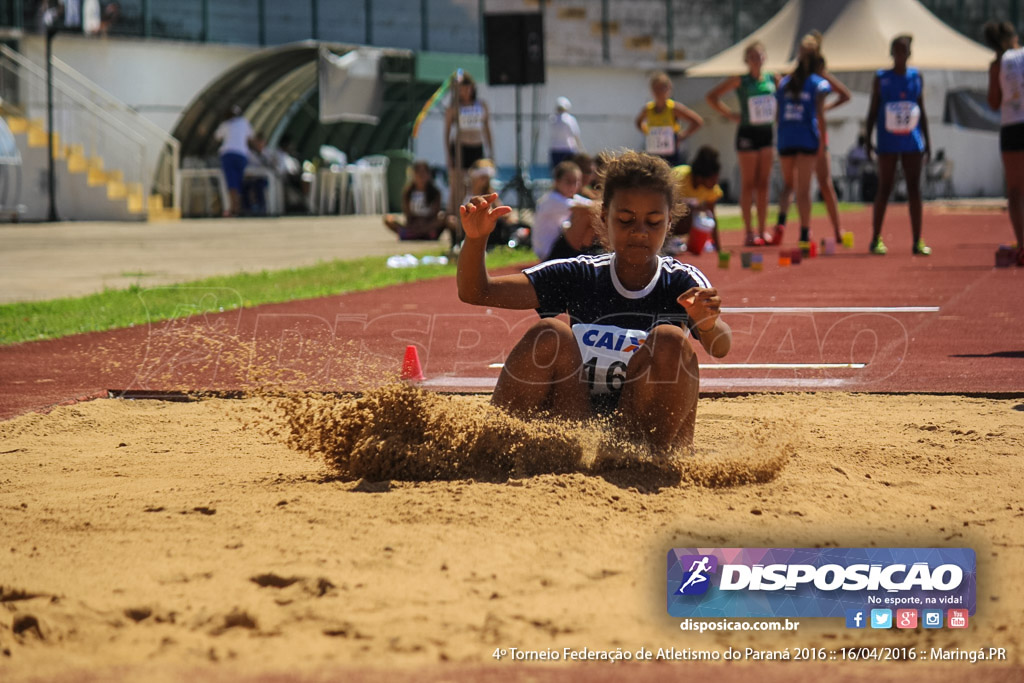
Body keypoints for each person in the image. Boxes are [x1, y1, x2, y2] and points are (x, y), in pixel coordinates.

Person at [456, 150, 732, 453]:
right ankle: (492, 448)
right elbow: (476, 292)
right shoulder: (581, 273)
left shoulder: (681, 280)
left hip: (643, 433)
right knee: (549, 333)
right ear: (604, 217)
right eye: (626, 220)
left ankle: (655, 462)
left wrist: (707, 324)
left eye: (653, 222)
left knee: (670, 338)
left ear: (669, 224)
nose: (639, 232)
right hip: (577, 427)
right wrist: (475, 238)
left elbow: (720, 346)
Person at [774, 32, 851, 246]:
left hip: (787, 139)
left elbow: (778, 115)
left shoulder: (786, 82)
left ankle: (781, 222)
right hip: (809, 138)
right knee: (813, 187)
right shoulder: (817, 82)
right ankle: (809, 232)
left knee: (790, 185)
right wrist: (821, 143)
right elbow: (828, 108)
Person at [705, 41, 777, 246]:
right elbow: (712, 96)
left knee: (764, 183)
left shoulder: (773, 79)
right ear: (747, 60)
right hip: (747, 133)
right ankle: (748, 231)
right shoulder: (741, 80)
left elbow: (786, 96)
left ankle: (763, 231)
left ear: (765, 57)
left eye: (759, 55)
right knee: (749, 183)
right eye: (752, 56)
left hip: (767, 133)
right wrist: (729, 114)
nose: (756, 59)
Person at [866, 34, 932, 255]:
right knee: (885, 187)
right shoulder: (881, 77)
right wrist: (868, 140)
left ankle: (917, 240)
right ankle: (875, 238)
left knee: (914, 188)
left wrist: (927, 142)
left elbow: (922, 110)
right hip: (888, 140)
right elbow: (873, 110)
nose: (900, 54)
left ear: (909, 53)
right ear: (892, 53)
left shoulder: (916, 76)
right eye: (896, 50)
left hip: (912, 141)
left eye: (904, 50)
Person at [986, 20, 1024, 266]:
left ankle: (1023, 245)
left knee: (1015, 191)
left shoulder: (997, 64)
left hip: (1012, 128)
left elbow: (993, 102)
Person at [635, 72, 703, 167]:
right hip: (654, 151)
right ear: (652, 90)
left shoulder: (674, 108)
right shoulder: (648, 109)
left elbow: (697, 121)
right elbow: (638, 122)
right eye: (656, 88)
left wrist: (682, 136)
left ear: (669, 89)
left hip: (671, 152)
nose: (659, 92)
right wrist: (647, 132)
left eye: (662, 88)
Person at [532, 160, 595, 261]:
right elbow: (587, 207)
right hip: (549, 253)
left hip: (558, 247)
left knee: (591, 214)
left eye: (576, 181)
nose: (573, 186)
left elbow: (590, 203)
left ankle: (591, 252)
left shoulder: (569, 198)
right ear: (557, 182)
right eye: (568, 182)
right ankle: (589, 253)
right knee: (586, 215)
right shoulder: (552, 199)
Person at [670, 146, 724, 255]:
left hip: (684, 221)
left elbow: (713, 216)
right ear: (701, 177)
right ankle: (667, 241)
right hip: (667, 217)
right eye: (713, 179)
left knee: (704, 220)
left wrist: (719, 249)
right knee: (686, 213)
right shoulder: (679, 178)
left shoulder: (711, 190)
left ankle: (690, 244)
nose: (716, 182)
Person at [383, 160, 445, 241]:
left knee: (443, 217)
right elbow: (407, 213)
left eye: (424, 173)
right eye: (418, 173)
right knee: (388, 219)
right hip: (413, 225)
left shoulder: (435, 192)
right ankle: (416, 233)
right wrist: (415, 224)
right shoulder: (408, 192)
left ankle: (420, 233)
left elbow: (436, 212)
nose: (421, 176)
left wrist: (425, 224)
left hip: (428, 224)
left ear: (428, 175)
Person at [214, 104, 254, 217]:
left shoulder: (224, 124)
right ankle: (239, 207)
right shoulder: (244, 122)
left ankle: (233, 208)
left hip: (228, 154)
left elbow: (217, 137)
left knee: (232, 183)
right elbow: (251, 137)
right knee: (240, 181)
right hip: (242, 155)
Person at [549, 96, 584, 169]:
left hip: (555, 149)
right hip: (568, 149)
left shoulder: (552, 119)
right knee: (569, 170)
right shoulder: (569, 119)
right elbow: (576, 135)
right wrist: (580, 149)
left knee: (557, 171)